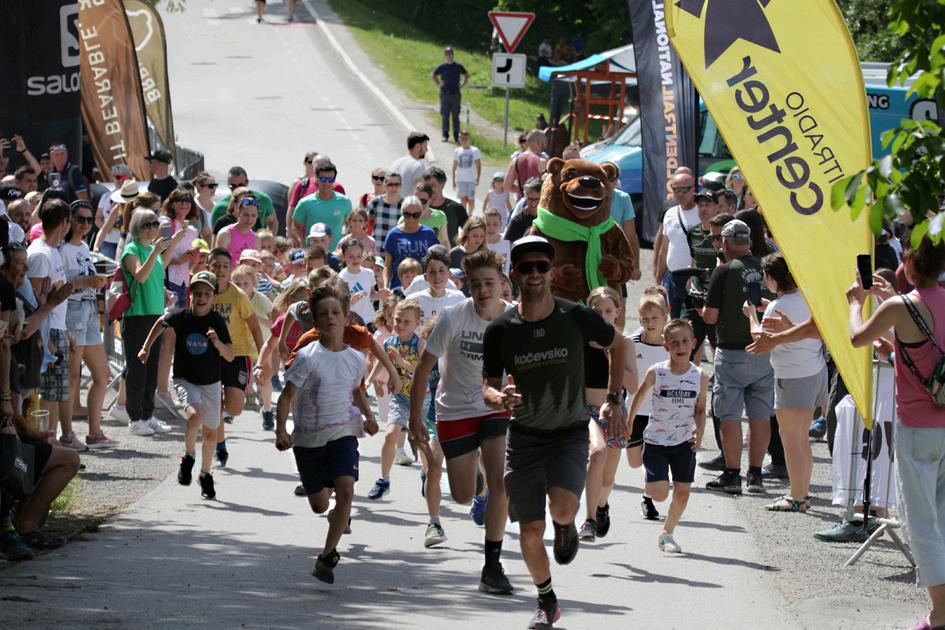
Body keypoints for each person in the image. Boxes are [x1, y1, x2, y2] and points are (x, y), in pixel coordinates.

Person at [482, 236, 626, 629]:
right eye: (525, 267)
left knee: (562, 508)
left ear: (551, 272)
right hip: (523, 438)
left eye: (541, 266)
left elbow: (620, 346)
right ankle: (546, 601)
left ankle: (566, 526)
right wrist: (499, 397)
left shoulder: (574, 316)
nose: (534, 273)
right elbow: (487, 386)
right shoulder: (500, 330)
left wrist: (614, 398)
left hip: (568, 433)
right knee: (530, 529)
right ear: (514, 274)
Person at [847, 237, 945, 630]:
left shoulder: (900, 307)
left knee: (921, 522)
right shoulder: (913, 303)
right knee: (942, 515)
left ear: (911, 265)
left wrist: (856, 303)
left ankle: (940, 613)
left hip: (918, 426)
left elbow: (857, 337)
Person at [407, 248, 514, 594]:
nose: (483, 290)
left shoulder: (515, 319)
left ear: (502, 283)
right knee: (463, 495)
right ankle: (478, 484)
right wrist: (414, 418)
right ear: (468, 286)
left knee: (501, 481)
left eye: (489, 283)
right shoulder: (454, 317)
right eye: (476, 284)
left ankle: (492, 566)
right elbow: (423, 368)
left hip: (495, 407)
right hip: (454, 410)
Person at [275, 284, 378, 584]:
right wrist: (281, 429)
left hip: (343, 432)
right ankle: (335, 512)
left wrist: (369, 416)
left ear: (347, 317)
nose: (331, 318)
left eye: (336, 312)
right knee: (319, 504)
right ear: (316, 322)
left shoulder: (356, 358)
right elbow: (286, 396)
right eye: (324, 314)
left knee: (346, 489)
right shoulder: (307, 357)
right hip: (308, 439)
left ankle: (327, 556)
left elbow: (355, 391)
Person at [138, 271, 233, 499]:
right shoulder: (181, 316)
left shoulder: (217, 321)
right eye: (197, 293)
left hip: (211, 383)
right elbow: (161, 322)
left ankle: (205, 474)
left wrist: (217, 343)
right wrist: (145, 347)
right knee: (194, 416)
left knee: (210, 435)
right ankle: (189, 457)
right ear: (190, 295)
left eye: (207, 294)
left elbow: (230, 355)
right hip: (185, 379)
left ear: (214, 297)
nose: (201, 298)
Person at [743, 253, 826, 512]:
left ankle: (797, 497)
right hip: (814, 372)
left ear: (772, 278)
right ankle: (801, 492)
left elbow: (760, 339)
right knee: (801, 438)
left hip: (792, 376)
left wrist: (750, 315)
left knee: (791, 440)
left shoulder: (776, 307)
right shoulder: (807, 297)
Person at [701, 219, 773, 495]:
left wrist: (699, 307)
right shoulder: (767, 267)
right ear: (750, 242)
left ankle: (732, 475)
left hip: (732, 352)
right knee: (760, 415)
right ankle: (755, 475)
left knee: (729, 415)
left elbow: (710, 316)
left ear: (726, 243)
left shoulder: (724, 271)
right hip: (764, 350)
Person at [627, 319, 709, 553]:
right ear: (666, 346)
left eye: (684, 341)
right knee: (660, 495)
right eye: (674, 342)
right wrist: (630, 421)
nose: (680, 346)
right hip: (656, 441)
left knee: (682, 493)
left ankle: (667, 533)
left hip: (684, 442)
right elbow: (639, 395)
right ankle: (651, 480)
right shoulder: (657, 372)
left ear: (693, 343)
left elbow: (700, 409)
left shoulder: (700, 376)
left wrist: (700, 430)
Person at [27, 199, 99, 450]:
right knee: (49, 392)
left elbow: (53, 297)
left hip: (58, 329)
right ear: (65, 223)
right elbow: (33, 301)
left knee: (57, 391)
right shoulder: (39, 254)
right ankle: (49, 446)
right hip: (46, 333)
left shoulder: (52, 250)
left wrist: (65, 331)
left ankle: (58, 441)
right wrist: (46, 337)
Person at [578, 287, 638, 543]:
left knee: (607, 479)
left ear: (617, 313)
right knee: (596, 454)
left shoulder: (623, 343)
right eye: (597, 311)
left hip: (614, 413)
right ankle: (589, 520)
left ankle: (601, 505)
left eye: (608, 311)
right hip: (585, 412)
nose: (603, 316)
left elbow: (633, 386)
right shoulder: (578, 340)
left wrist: (612, 357)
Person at [122, 208, 188, 436]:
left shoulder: (152, 249)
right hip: (136, 316)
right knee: (137, 368)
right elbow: (140, 275)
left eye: (154, 223)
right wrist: (157, 251)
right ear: (136, 227)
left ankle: (147, 415)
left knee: (151, 368)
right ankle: (134, 418)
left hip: (154, 314)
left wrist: (173, 242)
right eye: (146, 224)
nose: (151, 228)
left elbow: (159, 268)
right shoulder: (131, 250)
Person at [60, 200, 116, 448]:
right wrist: (87, 282)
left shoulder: (83, 246)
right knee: (72, 376)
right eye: (80, 219)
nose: (84, 224)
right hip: (72, 311)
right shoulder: (63, 249)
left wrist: (97, 283)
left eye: (89, 220)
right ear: (69, 220)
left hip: (89, 310)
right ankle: (67, 435)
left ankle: (94, 433)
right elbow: (60, 285)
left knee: (102, 374)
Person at [207, 247, 264, 463]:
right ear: (208, 267)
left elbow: (255, 328)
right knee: (215, 404)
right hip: (210, 355)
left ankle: (221, 416)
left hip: (237, 355)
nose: (220, 270)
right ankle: (220, 446)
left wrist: (262, 360)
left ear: (230, 269)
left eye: (225, 266)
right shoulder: (203, 293)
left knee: (235, 408)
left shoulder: (238, 296)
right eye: (216, 265)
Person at [628, 291, 671, 519]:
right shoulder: (632, 343)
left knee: (652, 457)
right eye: (645, 319)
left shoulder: (671, 345)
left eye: (655, 318)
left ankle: (648, 498)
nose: (650, 323)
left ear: (665, 317)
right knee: (635, 461)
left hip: (661, 414)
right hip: (635, 411)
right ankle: (653, 472)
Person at [655, 173, 700, 318]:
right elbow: (665, 247)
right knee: (674, 321)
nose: (680, 193)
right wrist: (658, 279)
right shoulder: (670, 213)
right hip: (673, 277)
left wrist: (694, 278)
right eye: (676, 189)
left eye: (684, 189)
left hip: (694, 277)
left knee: (694, 321)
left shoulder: (701, 212)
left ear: (693, 189)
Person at [383, 197, 439, 291]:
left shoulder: (429, 234)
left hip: (424, 289)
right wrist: (385, 286)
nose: (411, 218)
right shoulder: (393, 234)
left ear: (421, 214)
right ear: (402, 214)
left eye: (415, 215)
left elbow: (436, 263)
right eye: (407, 214)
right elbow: (387, 266)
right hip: (399, 288)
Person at [292, 163, 351, 250]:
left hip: (337, 254)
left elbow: (349, 224)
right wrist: (303, 244)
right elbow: (295, 225)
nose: (327, 183)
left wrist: (344, 245)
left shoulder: (345, 202)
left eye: (330, 179)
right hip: (313, 254)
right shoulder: (305, 203)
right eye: (323, 179)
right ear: (316, 179)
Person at [210, 166, 277, 233]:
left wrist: (268, 238)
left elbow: (272, 222)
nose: (237, 189)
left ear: (247, 182)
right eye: (232, 186)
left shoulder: (263, 200)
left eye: (241, 185)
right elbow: (216, 235)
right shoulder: (220, 208)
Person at [338, 239, 381, 327]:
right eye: (351, 256)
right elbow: (339, 306)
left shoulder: (369, 273)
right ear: (344, 257)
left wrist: (380, 295)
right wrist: (351, 302)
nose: (355, 259)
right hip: (351, 322)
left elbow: (371, 294)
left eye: (358, 256)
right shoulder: (340, 278)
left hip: (369, 319)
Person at [431, 47, 469, 143]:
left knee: (456, 116)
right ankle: (445, 135)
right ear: (445, 56)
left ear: (453, 55)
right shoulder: (442, 67)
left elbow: (466, 75)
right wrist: (438, 83)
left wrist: (462, 84)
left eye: (450, 54)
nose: (449, 56)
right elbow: (433, 75)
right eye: (447, 54)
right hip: (444, 94)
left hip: (455, 94)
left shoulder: (458, 66)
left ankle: (456, 136)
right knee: (445, 115)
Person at [424, 167, 467, 246]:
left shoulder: (456, 208)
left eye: (433, 185)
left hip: (450, 253)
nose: (429, 189)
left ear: (443, 184)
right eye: (426, 186)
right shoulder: (418, 209)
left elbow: (469, 234)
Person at [215, 193, 261, 262]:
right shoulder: (225, 234)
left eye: (253, 215)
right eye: (246, 215)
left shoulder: (256, 239)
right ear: (238, 213)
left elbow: (256, 264)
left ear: (257, 216)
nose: (250, 219)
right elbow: (220, 262)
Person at [368, 171, 403, 253]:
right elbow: (365, 223)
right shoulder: (375, 202)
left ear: (401, 185)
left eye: (396, 184)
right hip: (378, 250)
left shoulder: (405, 204)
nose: (393, 188)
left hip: (397, 250)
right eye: (390, 184)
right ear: (385, 185)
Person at [504, 130, 546, 198]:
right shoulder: (542, 161)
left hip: (521, 202)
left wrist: (523, 191)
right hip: (537, 202)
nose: (544, 146)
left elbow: (506, 187)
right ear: (539, 142)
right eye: (544, 143)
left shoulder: (515, 160)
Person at [502, 177, 542, 243]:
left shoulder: (547, 219)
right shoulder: (517, 221)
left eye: (537, 199)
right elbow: (509, 245)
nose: (533, 203)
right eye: (530, 199)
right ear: (525, 197)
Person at [452, 131, 481, 215]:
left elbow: (478, 165)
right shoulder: (457, 151)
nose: (464, 141)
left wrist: (478, 177)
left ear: (469, 139)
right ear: (459, 139)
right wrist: (453, 180)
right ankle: (464, 216)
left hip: (471, 179)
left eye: (466, 139)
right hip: (460, 179)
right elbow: (454, 166)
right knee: (463, 199)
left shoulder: (475, 151)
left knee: (471, 199)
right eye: (462, 139)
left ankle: (470, 214)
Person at [483, 208, 510, 273]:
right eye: (487, 224)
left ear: (500, 225)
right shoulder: (479, 242)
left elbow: (504, 268)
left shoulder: (505, 242)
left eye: (495, 224)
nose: (491, 228)